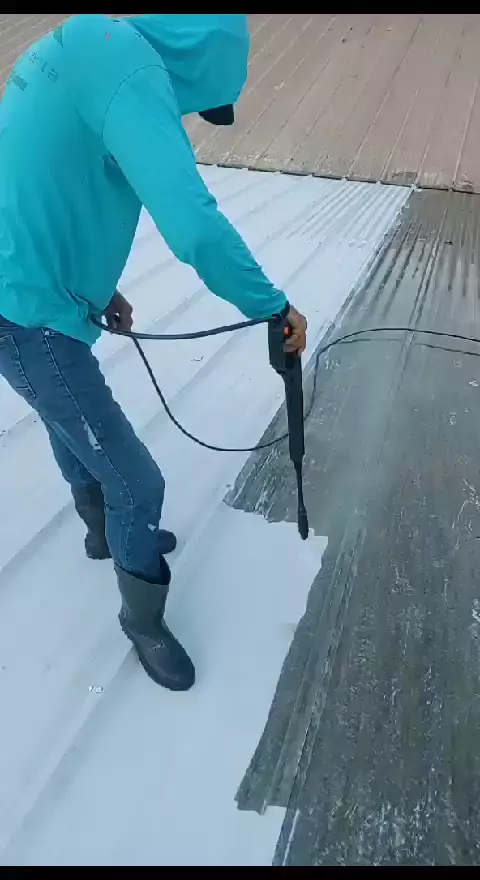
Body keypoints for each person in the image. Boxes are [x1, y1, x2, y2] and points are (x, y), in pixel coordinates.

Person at [0, 14, 307, 692]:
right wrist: (272, 306)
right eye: (204, 99)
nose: (194, 111)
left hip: (25, 291)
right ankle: (143, 621)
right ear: (200, 61)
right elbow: (193, 225)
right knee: (139, 485)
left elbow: (49, 172)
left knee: (63, 417)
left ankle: (101, 531)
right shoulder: (134, 75)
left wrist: (94, 286)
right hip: (24, 317)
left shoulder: (92, 42)